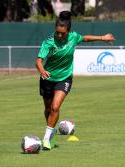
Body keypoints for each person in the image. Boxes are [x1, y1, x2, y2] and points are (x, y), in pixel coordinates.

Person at [36, 11, 115, 150]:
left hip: (64, 78)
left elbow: (85, 38)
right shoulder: (48, 42)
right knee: (48, 109)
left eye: (63, 33)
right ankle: (52, 134)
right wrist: (42, 70)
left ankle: (46, 139)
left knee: (55, 107)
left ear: (68, 31)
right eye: (58, 33)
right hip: (47, 78)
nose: (60, 36)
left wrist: (103, 37)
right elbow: (39, 60)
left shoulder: (73, 37)